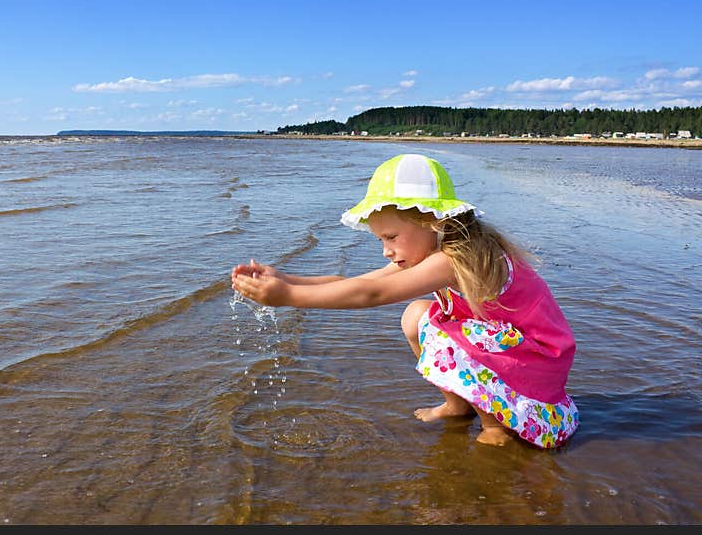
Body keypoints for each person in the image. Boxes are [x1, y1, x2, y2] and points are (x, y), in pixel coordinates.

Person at [231, 153, 578, 448]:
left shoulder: (455, 259)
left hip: (537, 360)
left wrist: (289, 297)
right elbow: (357, 282)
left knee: (447, 331)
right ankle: (458, 405)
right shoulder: (438, 250)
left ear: (433, 222)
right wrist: (287, 279)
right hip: (511, 353)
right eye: (381, 239)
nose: (387, 250)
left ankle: (494, 428)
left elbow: (373, 294)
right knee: (416, 316)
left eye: (392, 237)